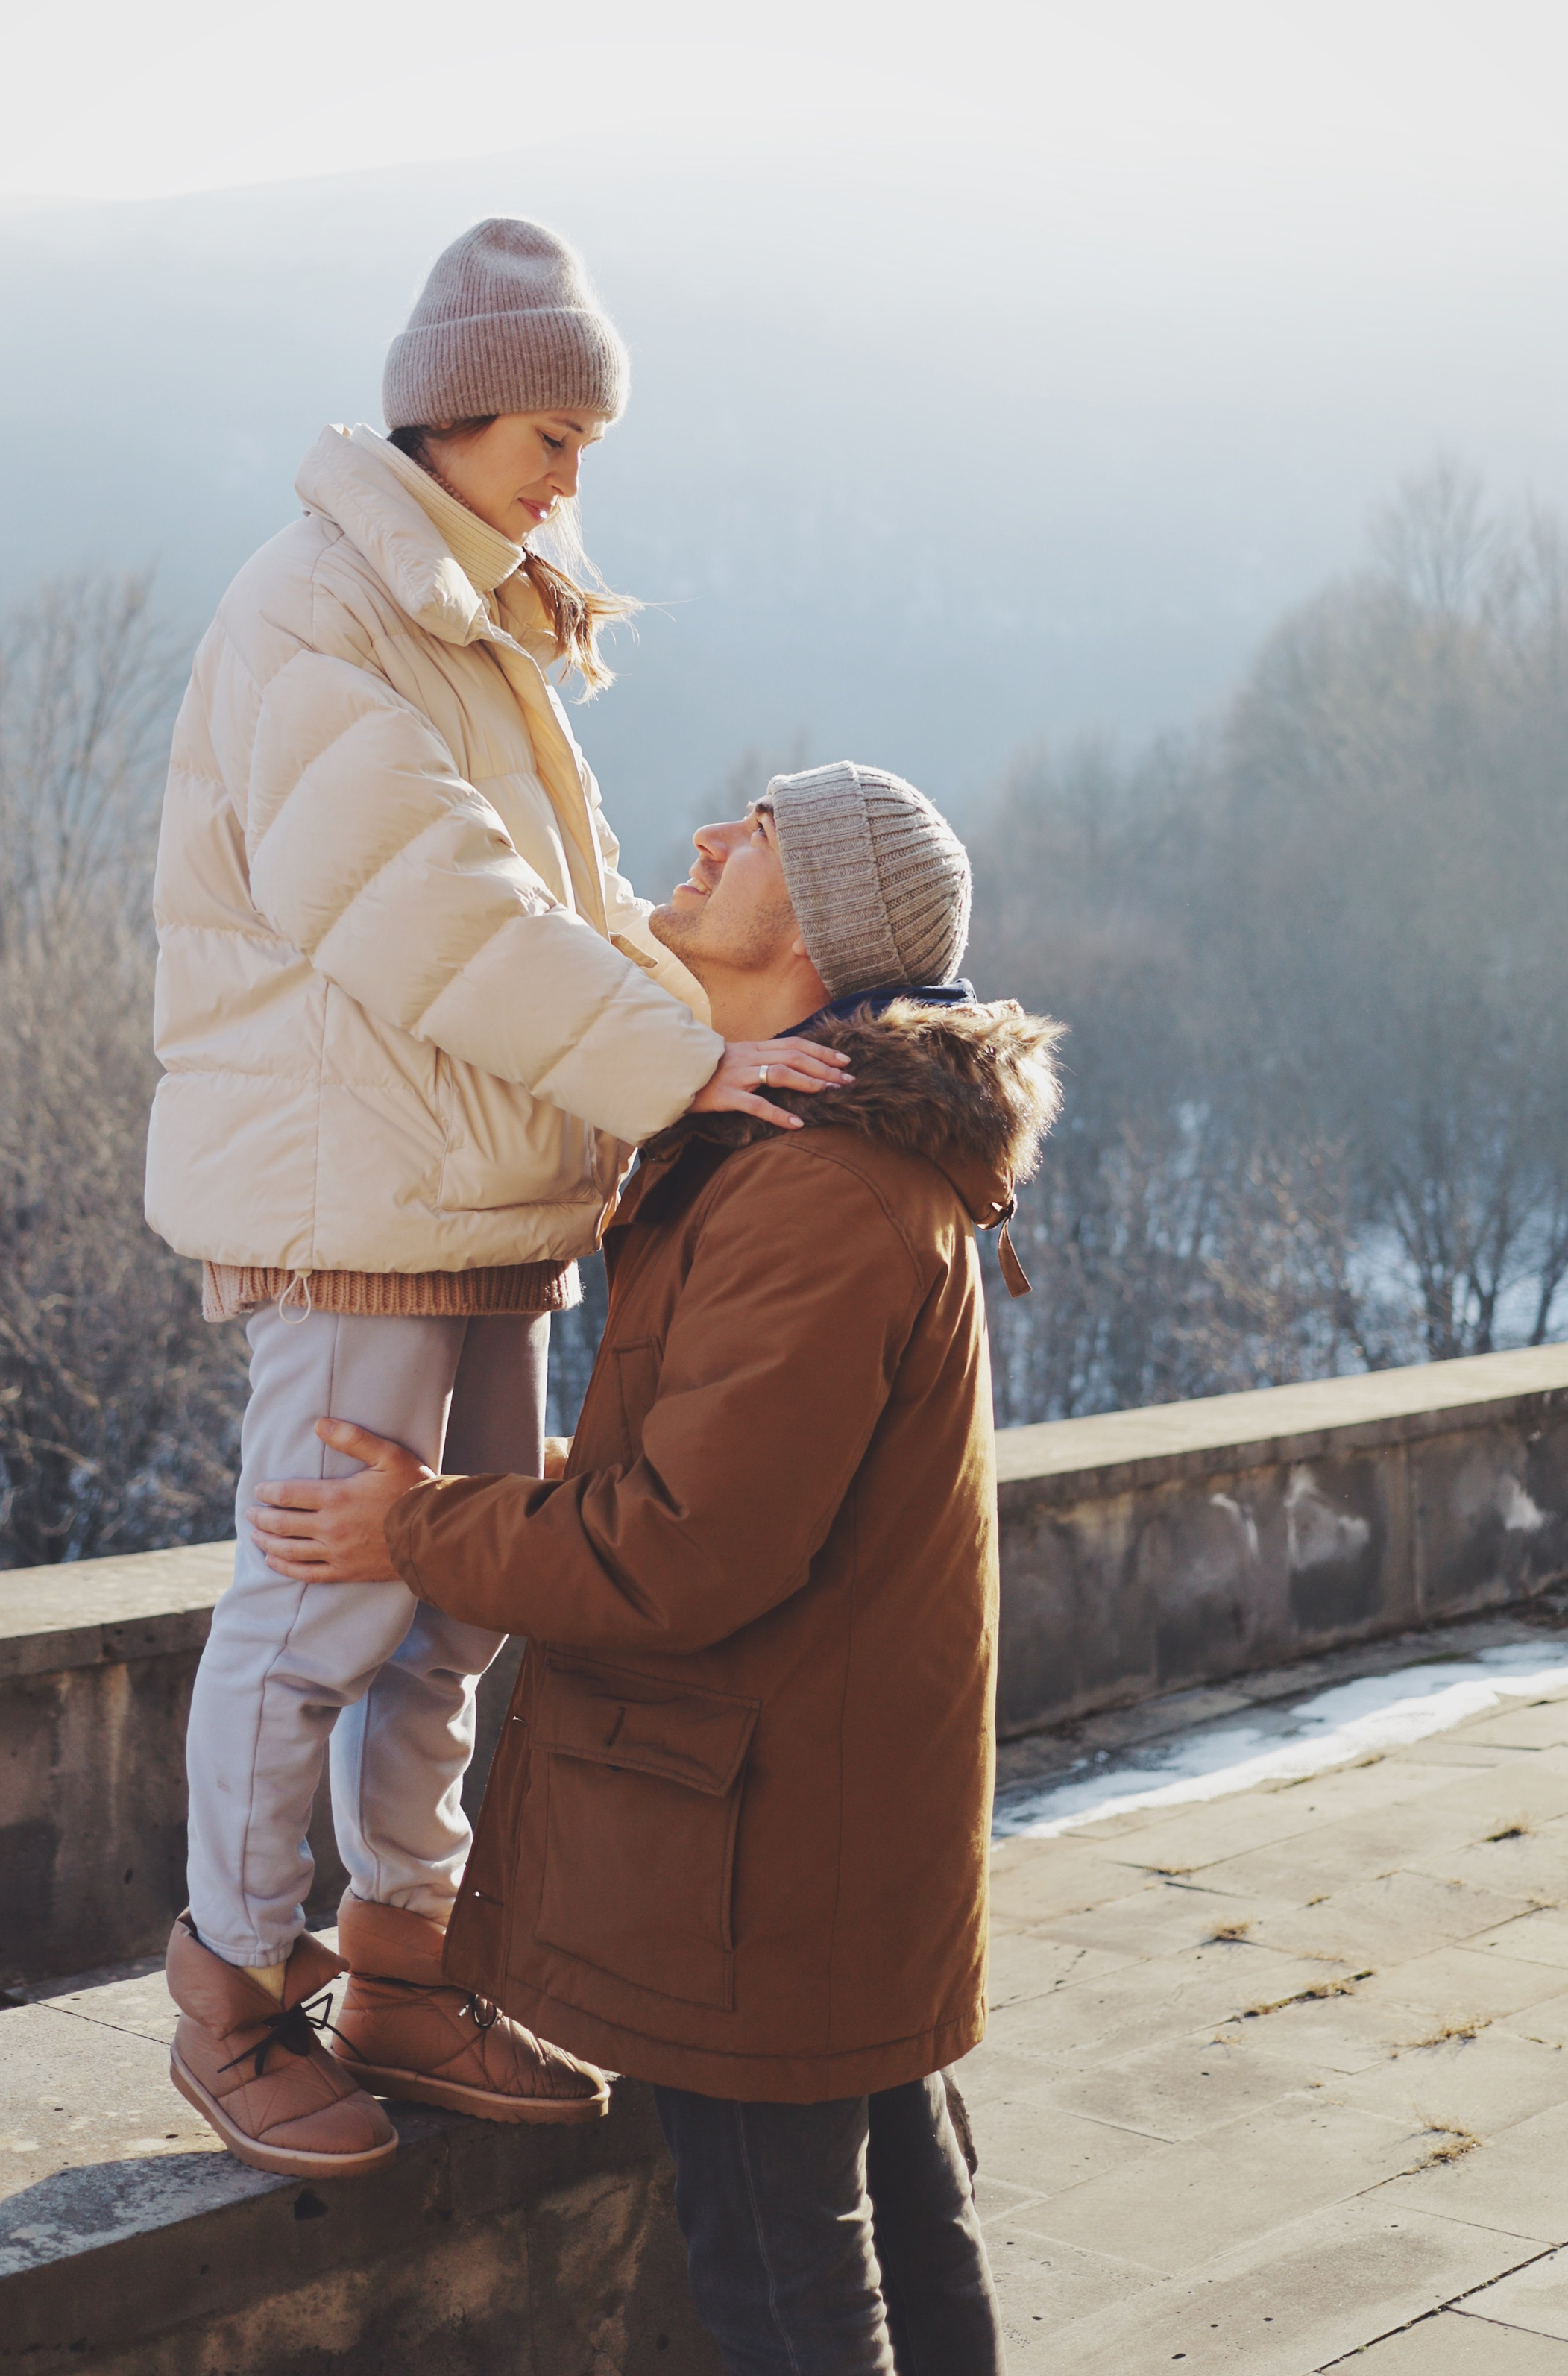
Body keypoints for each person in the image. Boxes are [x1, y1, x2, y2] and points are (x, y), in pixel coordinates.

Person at [145, 217, 852, 2180]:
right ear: (449, 412)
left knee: (449, 1600)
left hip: (480, 1194)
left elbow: (562, 909)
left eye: (587, 440)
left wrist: (713, 1036)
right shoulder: (319, 617)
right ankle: (232, 1987)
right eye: (555, 429)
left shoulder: (469, 616)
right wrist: (677, 1063)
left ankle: (401, 1958)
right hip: (356, 1192)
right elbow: (434, 908)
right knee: (321, 1601)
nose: (573, 474)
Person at [248, 763, 1062, 2373]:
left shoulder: (821, 1187)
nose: (705, 837)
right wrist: (509, 1488)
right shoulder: (824, 1150)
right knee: (905, 2206)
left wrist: (412, 1526)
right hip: (822, 1822)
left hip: (760, 1843)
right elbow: (727, 1487)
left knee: (783, 2281)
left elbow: (683, 1551)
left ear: (821, 931)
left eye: (759, 830)